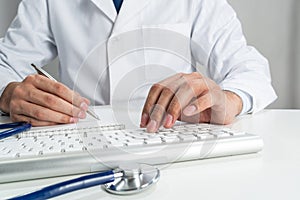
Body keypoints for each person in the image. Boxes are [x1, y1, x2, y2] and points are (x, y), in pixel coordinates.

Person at [0, 0, 277, 133]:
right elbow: (6, 61)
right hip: (78, 137)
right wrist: (8, 92)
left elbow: (251, 69)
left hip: (166, 137)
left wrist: (230, 100)